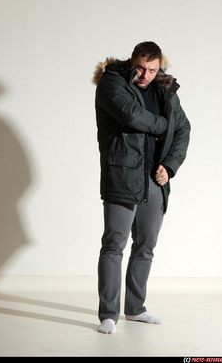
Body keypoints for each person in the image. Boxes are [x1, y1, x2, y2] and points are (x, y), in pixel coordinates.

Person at [92, 41, 191, 334]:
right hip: (123, 176)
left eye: (152, 69)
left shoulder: (165, 89)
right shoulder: (112, 82)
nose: (145, 74)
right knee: (114, 245)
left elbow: (183, 129)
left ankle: (135, 309)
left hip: (155, 178)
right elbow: (132, 116)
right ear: (131, 61)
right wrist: (163, 126)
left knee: (146, 247)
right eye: (140, 67)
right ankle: (108, 314)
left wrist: (169, 166)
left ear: (160, 66)